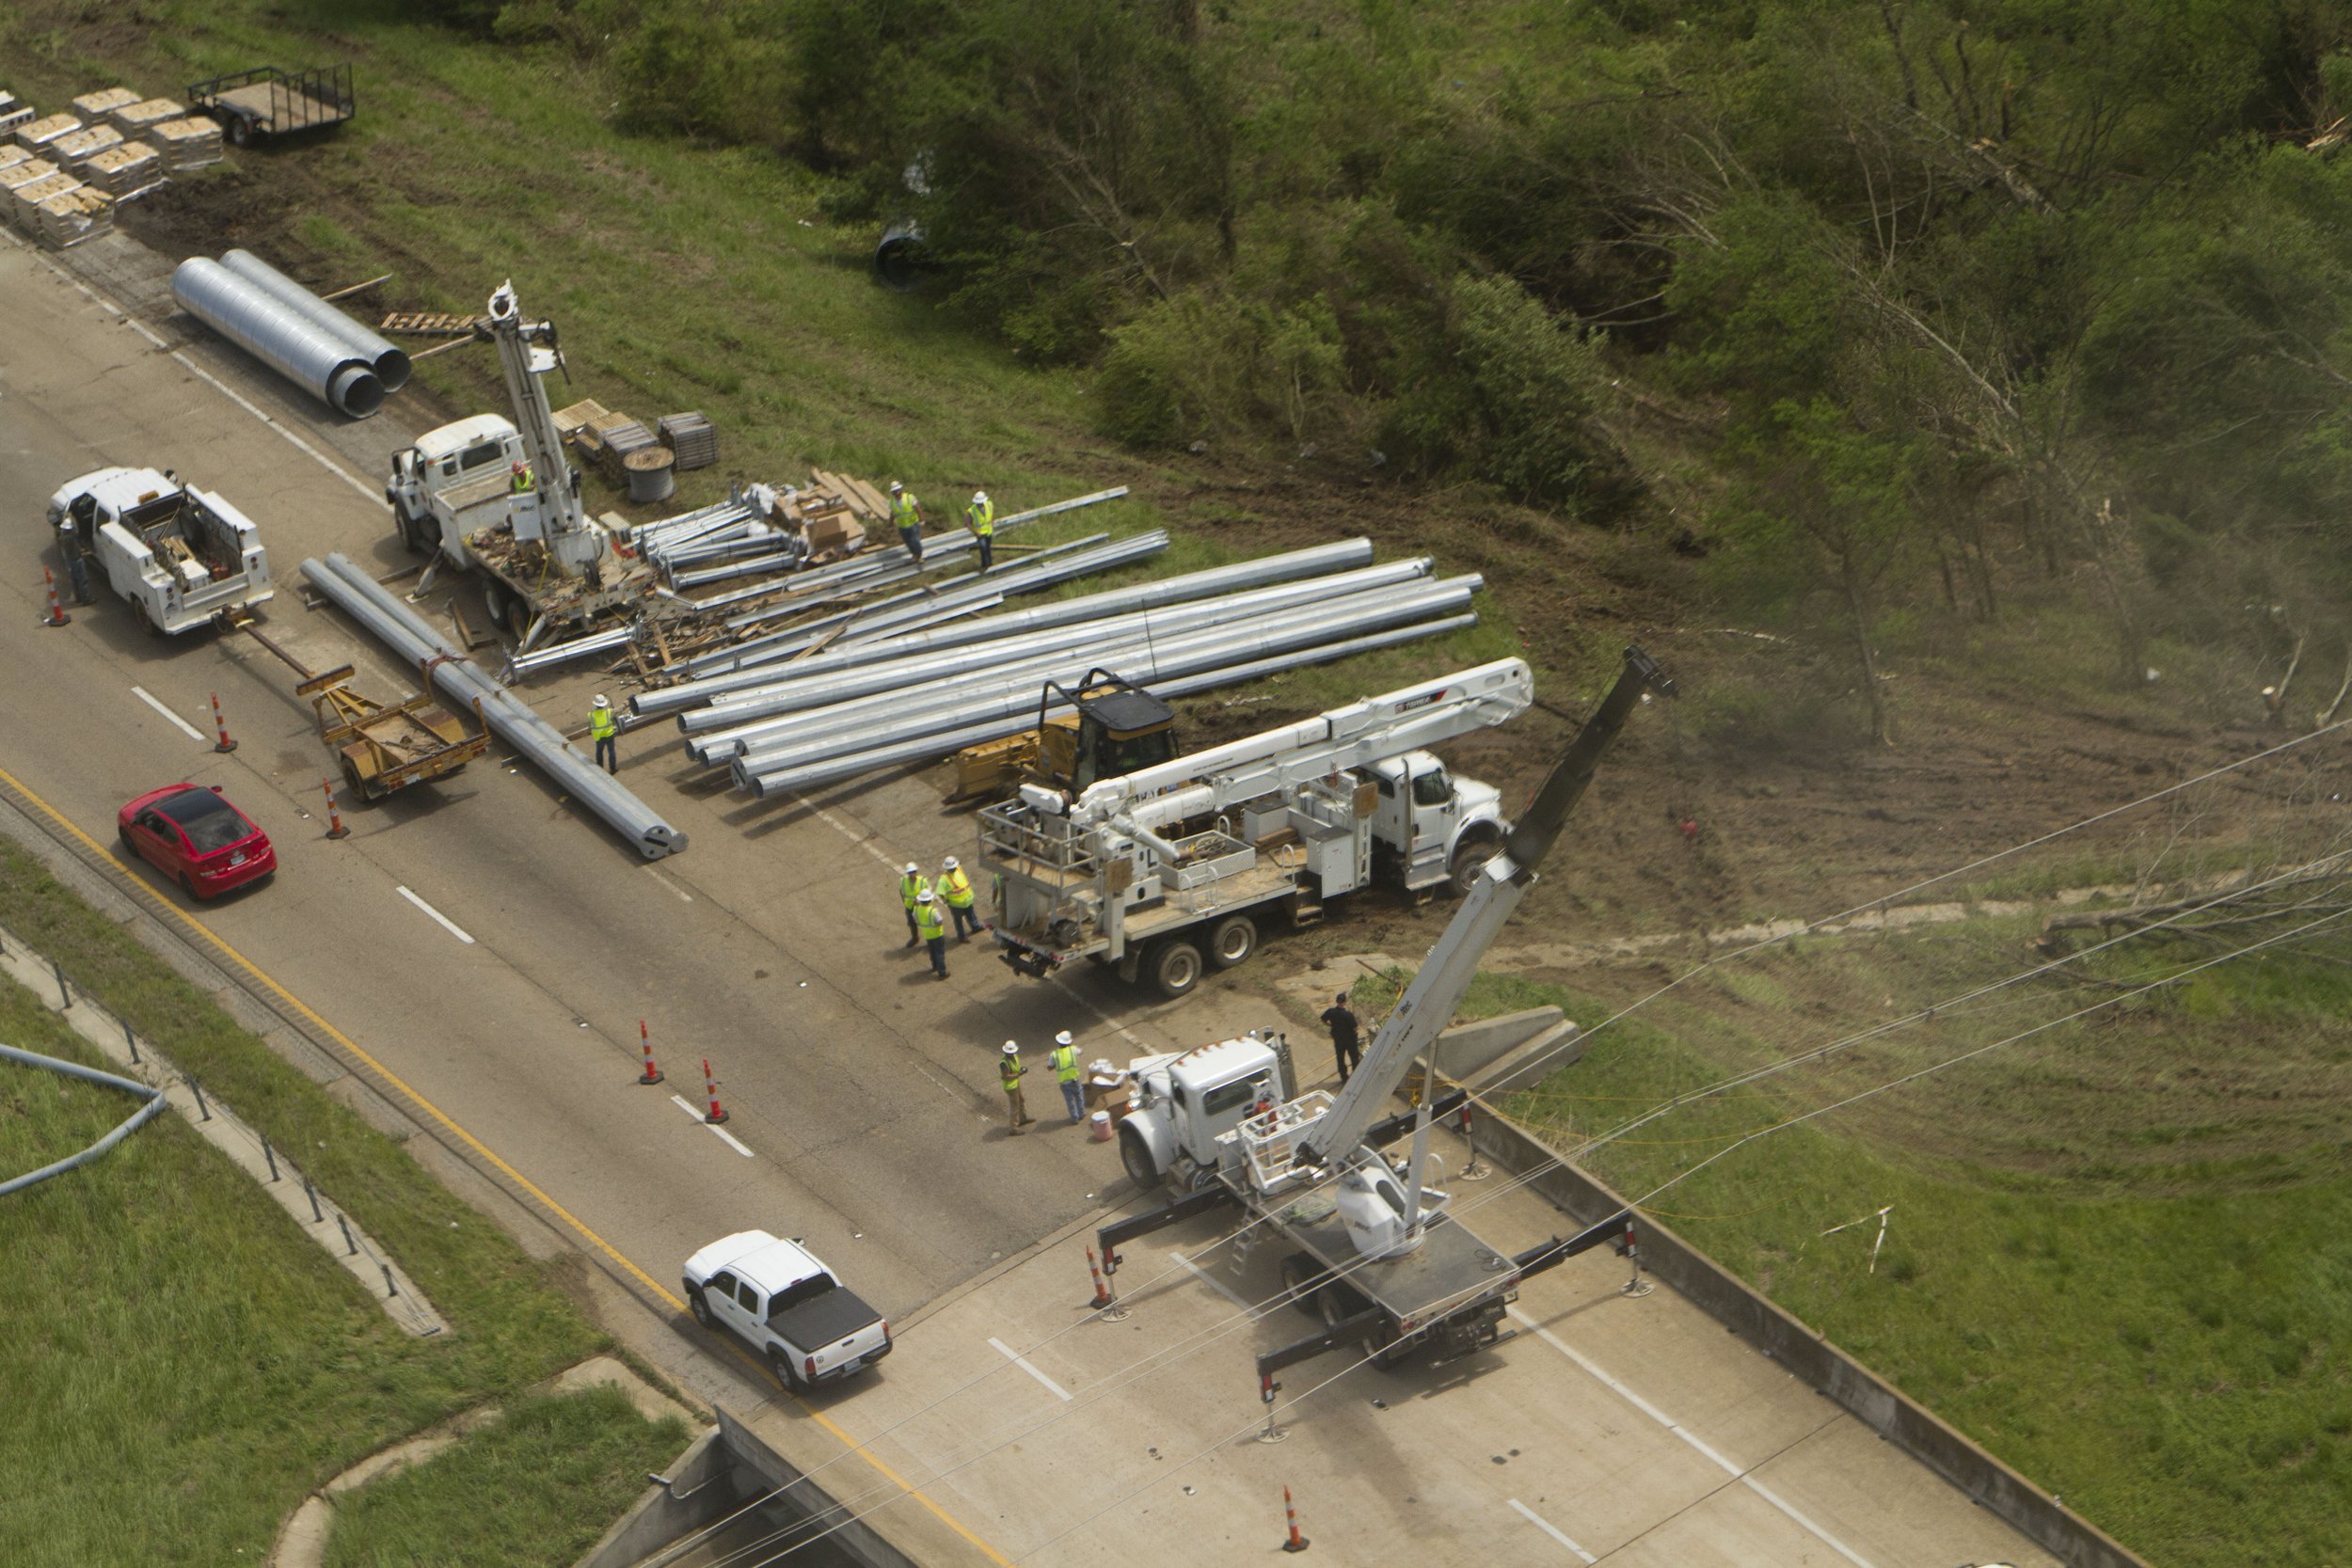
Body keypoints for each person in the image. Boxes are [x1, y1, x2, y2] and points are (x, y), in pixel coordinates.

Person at [59, 495, 96, 605]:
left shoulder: (63, 537)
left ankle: (78, 598)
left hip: (70, 561)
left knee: (75, 580)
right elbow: (77, 541)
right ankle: (86, 599)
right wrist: (86, 551)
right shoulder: (71, 537)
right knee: (82, 580)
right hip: (76, 560)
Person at [1320, 992, 1361, 1085]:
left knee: (1340, 1059)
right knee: (1354, 1058)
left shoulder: (1330, 1012)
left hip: (1338, 1039)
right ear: (1345, 1002)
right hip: (1350, 1039)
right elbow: (1355, 1027)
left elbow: (1323, 1019)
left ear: (1337, 1001)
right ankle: (1355, 1077)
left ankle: (1344, 1078)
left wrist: (1331, 1025)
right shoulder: (1348, 1015)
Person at [938, 855, 979, 941]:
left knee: (971, 915)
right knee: (958, 921)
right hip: (956, 905)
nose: (953, 869)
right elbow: (940, 892)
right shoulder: (943, 879)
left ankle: (975, 927)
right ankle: (962, 936)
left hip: (967, 900)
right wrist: (945, 901)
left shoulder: (959, 869)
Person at [1048, 1030, 1085, 1123]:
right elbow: (1081, 1051)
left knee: (1070, 1100)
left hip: (1064, 1082)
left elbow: (1050, 1067)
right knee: (1079, 1096)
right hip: (1074, 1079)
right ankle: (1081, 1113)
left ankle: (1074, 1118)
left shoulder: (1054, 1054)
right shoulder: (1073, 1049)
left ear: (1058, 1042)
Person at [914, 888, 949, 979]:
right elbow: (939, 922)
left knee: (932, 952)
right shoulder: (933, 910)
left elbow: (915, 918)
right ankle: (942, 972)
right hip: (937, 934)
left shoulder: (917, 910)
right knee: (939, 953)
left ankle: (934, 966)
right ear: (929, 900)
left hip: (927, 935)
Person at [999, 1040, 1033, 1133]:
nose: (1012, 1054)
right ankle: (1013, 1128)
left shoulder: (1014, 1057)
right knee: (1015, 1106)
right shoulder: (1004, 1063)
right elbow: (1006, 1076)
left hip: (1015, 1083)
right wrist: (1019, 1074)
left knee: (1021, 1100)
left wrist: (1020, 1070)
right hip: (1010, 1087)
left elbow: (1015, 1068)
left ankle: (1022, 1118)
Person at [888, 481, 924, 564]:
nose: (896, 493)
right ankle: (914, 555)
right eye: (894, 491)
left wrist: (922, 519)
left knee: (915, 541)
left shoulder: (909, 497)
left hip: (913, 524)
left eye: (897, 490)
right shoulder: (891, 502)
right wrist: (890, 522)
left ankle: (919, 556)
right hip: (902, 526)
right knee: (908, 542)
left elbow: (918, 508)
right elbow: (893, 513)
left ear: (901, 490)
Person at [898, 861, 930, 947]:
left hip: (921, 907)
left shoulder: (923, 881)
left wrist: (921, 902)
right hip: (910, 907)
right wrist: (904, 902)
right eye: (910, 873)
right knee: (912, 923)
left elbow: (928, 893)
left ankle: (929, 941)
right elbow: (901, 891)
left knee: (926, 924)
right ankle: (915, 938)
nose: (912, 874)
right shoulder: (903, 881)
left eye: (913, 872)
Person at [965, 489, 995, 572]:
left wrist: (992, 524)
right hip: (980, 534)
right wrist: (975, 532)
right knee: (983, 548)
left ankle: (989, 564)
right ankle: (986, 566)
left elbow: (992, 515)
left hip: (989, 531)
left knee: (987, 548)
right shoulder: (972, 510)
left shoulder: (989, 505)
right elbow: (967, 524)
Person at [589, 695, 618, 774]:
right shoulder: (608, 712)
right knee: (611, 751)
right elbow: (615, 711)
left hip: (599, 737)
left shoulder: (590, 715)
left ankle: (600, 767)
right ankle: (613, 768)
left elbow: (591, 724)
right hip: (609, 735)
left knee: (599, 751)